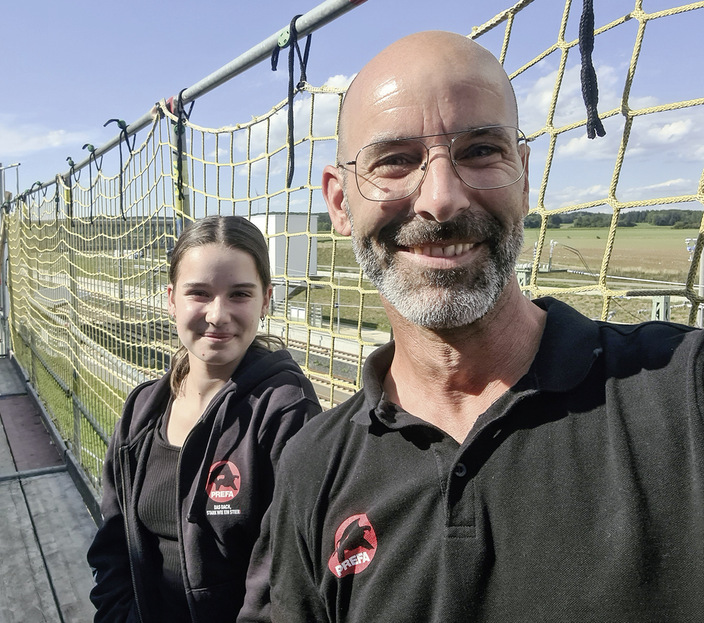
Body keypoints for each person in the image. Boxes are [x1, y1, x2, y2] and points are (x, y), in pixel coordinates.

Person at [238, 31, 704, 623]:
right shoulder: (312, 467)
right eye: (395, 160)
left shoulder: (682, 394)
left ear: (524, 172)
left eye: (481, 150)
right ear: (339, 200)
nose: (442, 198)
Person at [87, 214, 321, 622]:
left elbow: (285, 575)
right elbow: (113, 541)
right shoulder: (142, 410)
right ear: (170, 298)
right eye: (199, 293)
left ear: (266, 300)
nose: (217, 314)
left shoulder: (285, 412)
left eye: (239, 294)